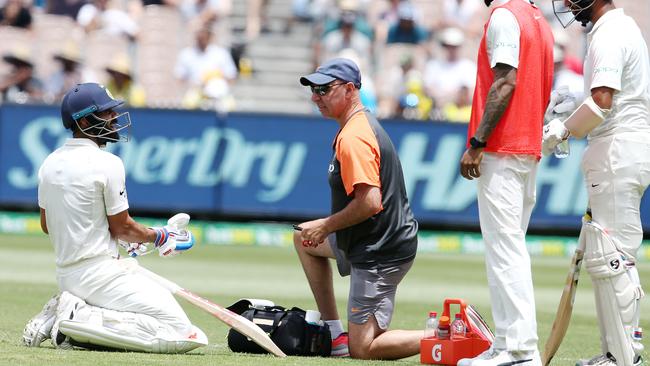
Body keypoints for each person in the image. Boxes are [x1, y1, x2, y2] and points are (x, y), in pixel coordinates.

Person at [21, 83, 208, 353]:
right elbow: (123, 227)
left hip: (68, 275)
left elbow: (48, 225)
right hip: (100, 275)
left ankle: (72, 310)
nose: (115, 119)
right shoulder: (107, 163)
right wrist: (161, 236)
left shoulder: (49, 163)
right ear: (84, 120)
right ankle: (78, 316)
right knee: (184, 333)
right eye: (107, 113)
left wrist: (113, 239)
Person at [543, 1, 649, 365]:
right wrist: (575, 102)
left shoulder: (611, 33)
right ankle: (614, 354)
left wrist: (561, 129)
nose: (569, 4)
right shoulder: (616, 29)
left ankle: (624, 357)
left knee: (614, 257)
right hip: (618, 150)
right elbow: (606, 97)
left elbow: (603, 102)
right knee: (607, 257)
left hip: (618, 152)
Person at [295, 58, 421, 360]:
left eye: (324, 89)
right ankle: (333, 332)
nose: (316, 97)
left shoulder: (354, 136)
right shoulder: (354, 126)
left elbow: (370, 202)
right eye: (314, 89)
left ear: (350, 89)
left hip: (380, 250)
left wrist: (326, 225)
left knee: (363, 348)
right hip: (368, 239)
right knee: (303, 238)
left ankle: (453, 332)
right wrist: (322, 228)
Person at [458, 0, 554, 365]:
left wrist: (478, 143)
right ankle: (509, 343)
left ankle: (518, 348)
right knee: (509, 247)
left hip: (503, 146)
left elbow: (505, 82)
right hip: (526, 146)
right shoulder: (536, 18)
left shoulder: (505, 16)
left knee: (504, 249)